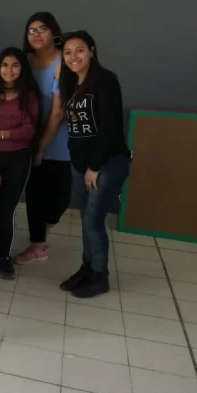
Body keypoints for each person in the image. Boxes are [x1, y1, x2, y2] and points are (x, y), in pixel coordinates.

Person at [57, 30, 130, 298]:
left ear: (92, 50)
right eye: (67, 52)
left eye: (79, 50)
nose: (73, 57)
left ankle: (100, 276)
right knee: (86, 220)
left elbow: (109, 127)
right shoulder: (71, 83)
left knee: (93, 220)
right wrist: (80, 163)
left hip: (106, 163)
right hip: (81, 164)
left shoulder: (105, 80)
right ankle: (87, 268)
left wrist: (94, 167)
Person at [0, 47, 40, 280]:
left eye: (15, 65)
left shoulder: (29, 97)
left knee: (7, 210)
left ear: (22, 69)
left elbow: (29, 131)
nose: (9, 70)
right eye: (4, 65)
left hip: (18, 159)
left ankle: (4, 256)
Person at [16, 12, 72, 264]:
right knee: (35, 193)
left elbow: (58, 112)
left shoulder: (63, 61)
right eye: (32, 30)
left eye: (42, 29)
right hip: (27, 136)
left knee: (60, 197)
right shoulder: (25, 61)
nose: (36, 34)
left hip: (57, 139)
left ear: (53, 32)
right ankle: (37, 244)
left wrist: (41, 147)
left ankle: (43, 230)